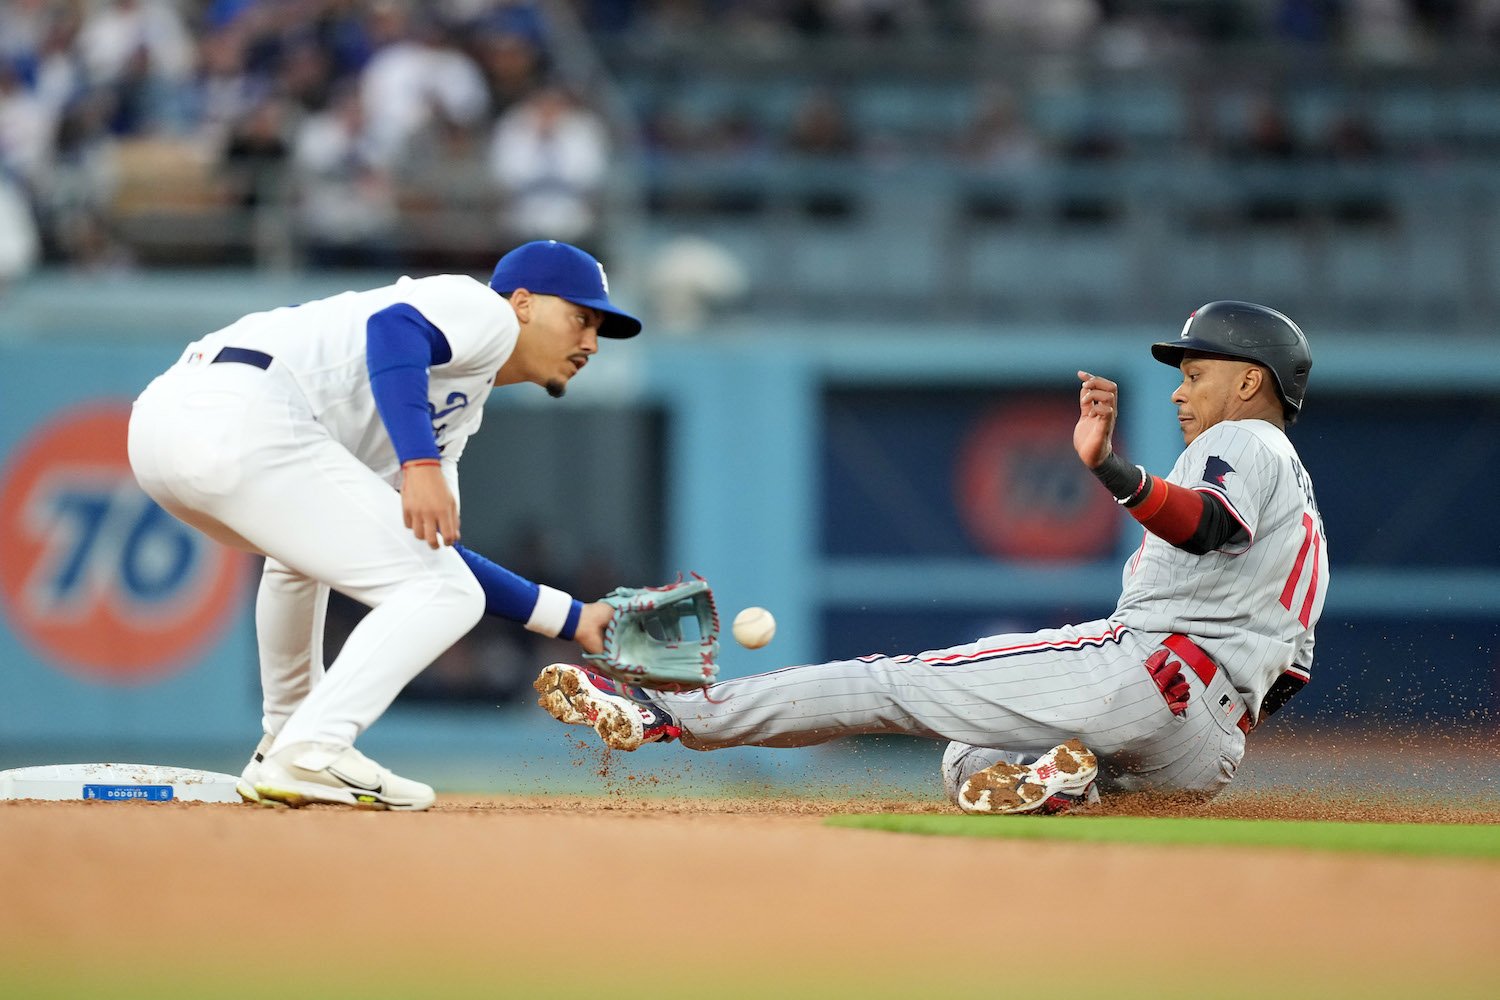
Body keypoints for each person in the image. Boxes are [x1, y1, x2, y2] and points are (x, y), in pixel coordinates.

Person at [535, 301, 1328, 814]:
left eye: (1195, 374)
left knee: (891, 684)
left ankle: (668, 713)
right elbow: (1289, 674)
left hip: (1151, 672)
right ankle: (1070, 781)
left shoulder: (1242, 438)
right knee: (972, 766)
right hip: (1207, 750)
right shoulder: (1307, 524)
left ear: (1251, 381)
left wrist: (1113, 472)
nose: (1179, 393)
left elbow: (1206, 524)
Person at [128, 239, 642, 811]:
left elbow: (435, 549)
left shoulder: (456, 409)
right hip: (241, 407)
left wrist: (573, 617)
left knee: (314, 561)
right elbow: (394, 329)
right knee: (442, 593)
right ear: (523, 302)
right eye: (580, 318)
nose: (591, 343)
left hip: (168, 428)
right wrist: (417, 462)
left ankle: (288, 739)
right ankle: (314, 749)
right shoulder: (484, 311)